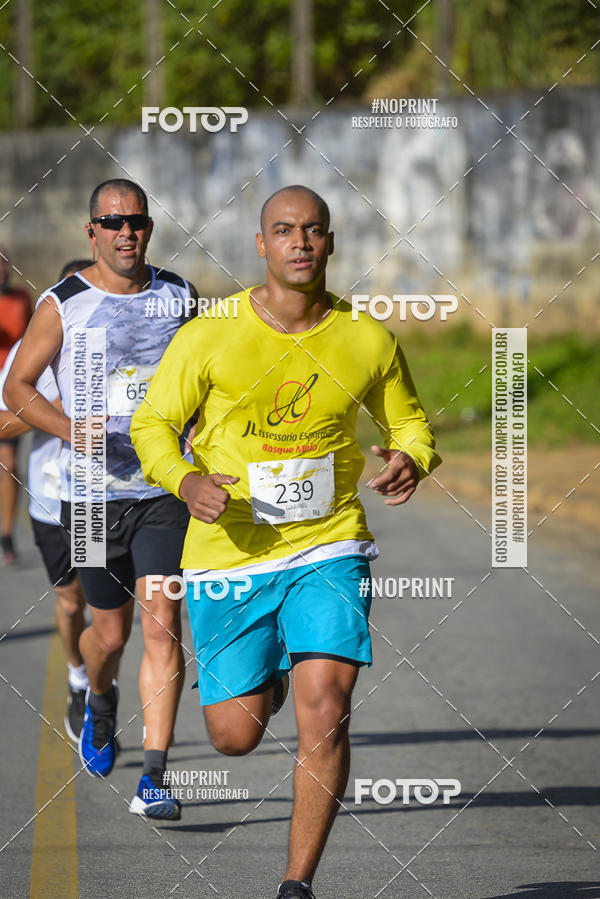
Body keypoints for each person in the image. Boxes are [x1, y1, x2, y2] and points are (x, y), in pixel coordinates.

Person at [131, 185, 442, 897]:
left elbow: (412, 426)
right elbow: (150, 425)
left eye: (313, 230)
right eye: (284, 229)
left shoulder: (367, 339)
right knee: (233, 735)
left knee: (327, 708)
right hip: (229, 552)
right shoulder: (211, 333)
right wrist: (183, 482)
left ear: (330, 243)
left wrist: (410, 459)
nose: (300, 241)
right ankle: (266, 671)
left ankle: (296, 885)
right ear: (262, 245)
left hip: (328, 545)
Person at [4, 179, 196, 821]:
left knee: (163, 626)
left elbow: (206, 380)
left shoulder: (179, 295)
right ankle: (99, 700)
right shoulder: (63, 303)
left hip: (162, 488)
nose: (125, 233)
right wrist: (67, 429)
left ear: (148, 226)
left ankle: (156, 777)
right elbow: (20, 388)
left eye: (135, 221)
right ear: (92, 231)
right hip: (88, 497)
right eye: (111, 222)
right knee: (108, 635)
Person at [0, 260, 92, 740]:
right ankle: (80, 678)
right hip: (51, 499)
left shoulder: (119, 346)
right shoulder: (28, 351)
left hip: (109, 496)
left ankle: (107, 689)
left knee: (126, 604)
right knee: (71, 598)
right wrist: (53, 414)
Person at [0, 247, 32, 563]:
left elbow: (34, 341)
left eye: (3, 263)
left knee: (8, 462)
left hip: (8, 386)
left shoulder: (22, 298)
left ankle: (7, 535)